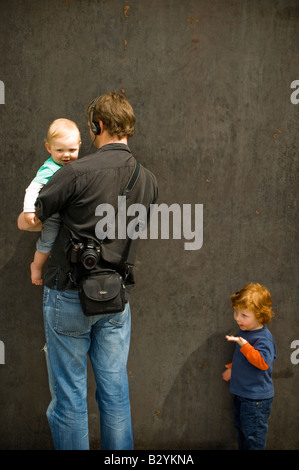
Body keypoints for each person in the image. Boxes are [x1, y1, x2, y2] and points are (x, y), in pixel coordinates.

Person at [17, 91, 158, 450]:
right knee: (115, 394)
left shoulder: (74, 172)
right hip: (116, 301)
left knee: (69, 399)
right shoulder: (148, 179)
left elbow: (36, 218)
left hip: (68, 295)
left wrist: (30, 220)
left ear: (97, 126)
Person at [21, 118, 81, 285]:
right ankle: (36, 267)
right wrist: (29, 210)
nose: (66, 155)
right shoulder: (50, 168)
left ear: (79, 146)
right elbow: (32, 189)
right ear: (49, 148)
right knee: (47, 243)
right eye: (60, 150)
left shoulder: (76, 167)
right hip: (53, 215)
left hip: (70, 216)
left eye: (72, 149)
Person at [222, 282, 277, 450]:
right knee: (242, 432)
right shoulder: (245, 331)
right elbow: (244, 359)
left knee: (253, 438)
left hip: (256, 400)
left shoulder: (263, 338)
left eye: (244, 315)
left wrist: (244, 345)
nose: (238, 318)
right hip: (243, 395)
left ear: (260, 316)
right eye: (236, 312)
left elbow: (263, 362)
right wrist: (232, 368)